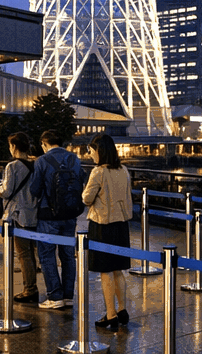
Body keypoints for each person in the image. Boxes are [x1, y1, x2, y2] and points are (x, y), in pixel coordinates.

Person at [30, 129, 86, 309]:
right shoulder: (74, 159)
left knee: (47, 255)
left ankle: (55, 296)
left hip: (48, 214)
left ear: (44, 144)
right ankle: (68, 295)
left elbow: (35, 189)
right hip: (70, 214)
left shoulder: (41, 161)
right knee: (68, 255)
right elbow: (81, 180)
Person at [83, 133, 133, 331]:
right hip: (121, 225)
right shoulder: (124, 170)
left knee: (105, 272)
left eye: (91, 151)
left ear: (99, 151)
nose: (90, 155)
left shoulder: (98, 172)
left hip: (102, 224)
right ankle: (122, 309)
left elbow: (87, 198)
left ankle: (110, 314)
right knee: (118, 270)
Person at [0, 131, 39, 302]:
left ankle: (29, 289)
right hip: (32, 213)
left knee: (23, 254)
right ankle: (31, 286)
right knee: (30, 252)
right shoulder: (35, 164)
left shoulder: (12, 166)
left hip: (17, 215)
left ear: (13, 146)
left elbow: (6, 191)